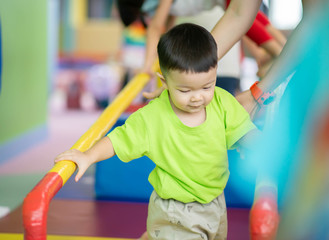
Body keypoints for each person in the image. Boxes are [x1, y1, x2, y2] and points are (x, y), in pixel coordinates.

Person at [55, 23, 260, 240]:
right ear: (165, 82)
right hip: (176, 210)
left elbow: (246, 131)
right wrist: (88, 156)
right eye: (185, 90)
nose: (197, 97)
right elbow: (118, 140)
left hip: (215, 203)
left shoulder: (222, 102)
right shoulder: (153, 117)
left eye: (206, 86)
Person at [117, 0, 284, 97]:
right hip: (221, 3)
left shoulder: (160, 3)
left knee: (246, 17)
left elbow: (156, 28)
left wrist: (146, 66)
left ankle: (278, 52)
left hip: (224, 4)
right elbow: (166, 29)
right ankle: (280, 47)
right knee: (254, 17)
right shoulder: (162, 7)